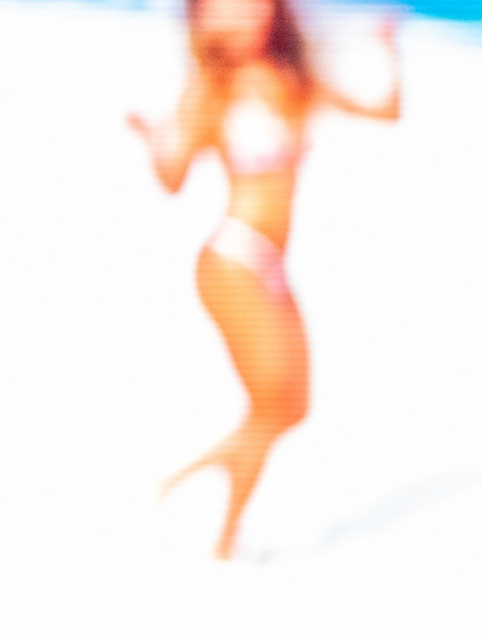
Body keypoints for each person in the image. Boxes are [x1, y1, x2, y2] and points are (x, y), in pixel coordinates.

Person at [127, 0, 400, 559]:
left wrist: (388, 51)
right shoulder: (212, 88)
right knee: (270, 409)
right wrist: (157, 139)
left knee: (293, 407)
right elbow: (173, 179)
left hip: (271, 264)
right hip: (233, 260)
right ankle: (222, 539)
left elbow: (385, 111)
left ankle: (191, 480)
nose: (245, 17)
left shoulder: (294, 80)